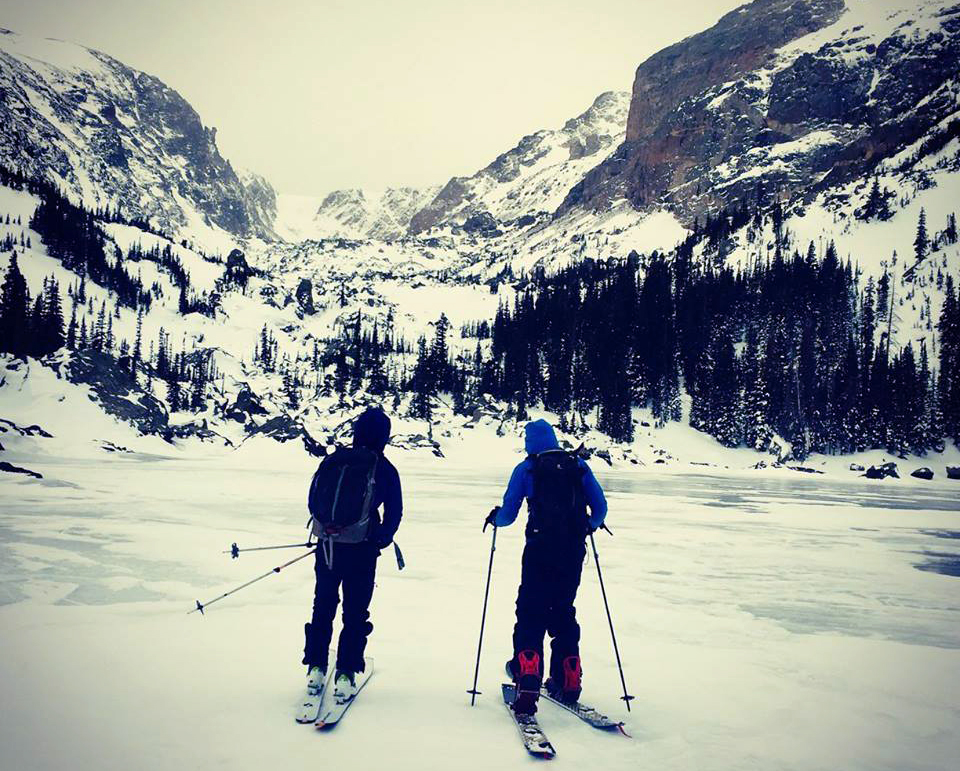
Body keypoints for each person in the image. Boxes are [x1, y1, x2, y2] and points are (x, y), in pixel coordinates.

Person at [486, 418, 607, 715]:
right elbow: (601, 507)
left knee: (530, 610)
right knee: (564, 609)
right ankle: (568, 678)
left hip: (539, 550)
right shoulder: (577, 466)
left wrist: (494, 518)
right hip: (572, 551)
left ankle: (527, 676)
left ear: (530, 442)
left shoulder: (526, 468)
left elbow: (509, 514)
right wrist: (587, 527)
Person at [302, 407, 402, 701]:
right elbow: (394, 511)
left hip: (328, 547)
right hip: (362, 549)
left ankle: (316, 667)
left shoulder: (333, 460)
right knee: (355, 611)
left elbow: (312, 500)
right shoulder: (383, 468)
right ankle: (345, 672)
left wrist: (329, 529)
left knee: (323, 605)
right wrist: (380, 540)